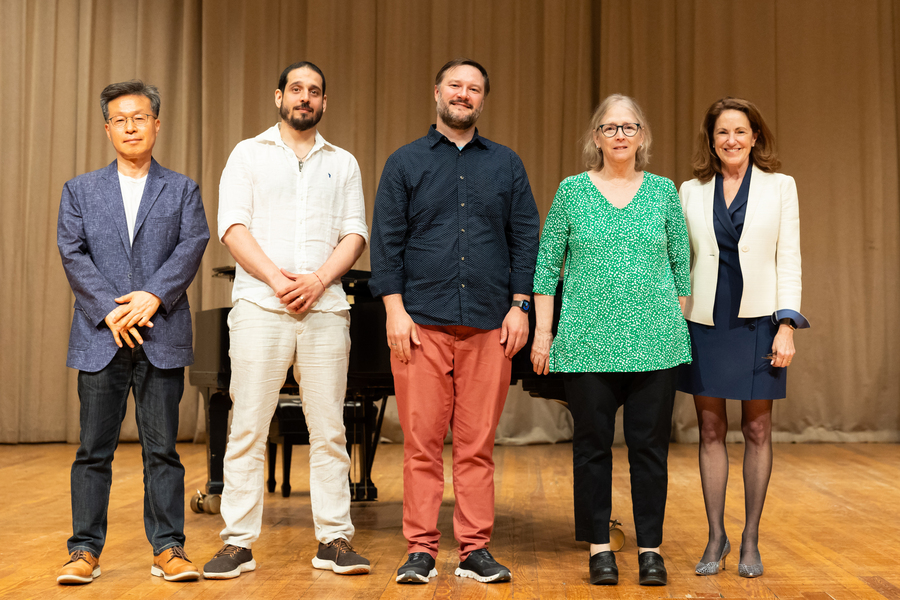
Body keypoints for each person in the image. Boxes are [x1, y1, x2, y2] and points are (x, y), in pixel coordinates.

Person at [370, 58, 539, 585]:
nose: (463, 95)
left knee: (476, 446)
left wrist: (522, 306)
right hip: (421, 326)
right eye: (455, 86)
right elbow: (386, 243)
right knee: (421, 445)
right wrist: (394, 311)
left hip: (491, 325)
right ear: (436, 91)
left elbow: (527, 237)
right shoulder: (404, 163)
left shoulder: (506, 165)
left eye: (474, 89)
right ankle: (419, 550)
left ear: (483, 99)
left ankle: (474, 551)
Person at [202, 61, 370, 579]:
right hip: (259, 309)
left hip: (326, 312)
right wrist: (279, 281)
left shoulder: (342, 163)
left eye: (314, 91)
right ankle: (237, 544)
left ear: (324, 103)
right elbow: (231, 226)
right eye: (296, 89)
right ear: (279, 97)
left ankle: (334, 540)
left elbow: (355, 235)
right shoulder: (247, 154)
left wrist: (318, 281)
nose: (305, 98)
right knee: (248, 428)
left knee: (330, 432)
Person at [531, 94, 691, 587]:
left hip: (655, 345)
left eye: (629, 126)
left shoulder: (664, 192)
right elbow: (545, 268)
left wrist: (669, 321)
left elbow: (682, 268)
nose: (619, 135)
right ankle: (599, 546)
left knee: (650, 449)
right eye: (609, 127)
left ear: (642, 136)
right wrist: (543, 333)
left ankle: (650, 549)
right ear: (595, 137)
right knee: (592, 446)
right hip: (585, 343)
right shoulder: (572, 191)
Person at [56, 80, 209, 584]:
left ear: (157, 124)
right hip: (101, 336)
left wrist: (152, 297)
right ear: (107, 128)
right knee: (92, 451)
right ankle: (83, 551)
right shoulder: (79, 190)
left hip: (160, 331)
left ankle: (169, 549)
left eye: (139, 118)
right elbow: (72, 252)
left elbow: (192, 243)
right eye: (120, 119)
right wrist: (110, 311)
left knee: (161, 450)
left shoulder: (182, 188)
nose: (130, 127)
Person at [678, 97, 808, 579]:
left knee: (757, 430)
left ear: (756, 137)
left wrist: (787, 325)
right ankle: (716, 535)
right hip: (706, 321)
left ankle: (750, 537)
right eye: (721, 133)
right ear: (711, 141)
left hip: (759, 321)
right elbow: (678, 259)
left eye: (740, 131)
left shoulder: (781, 187)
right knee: (710, 430)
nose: (731, 140)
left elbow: (788, 258)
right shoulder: (689, 190)